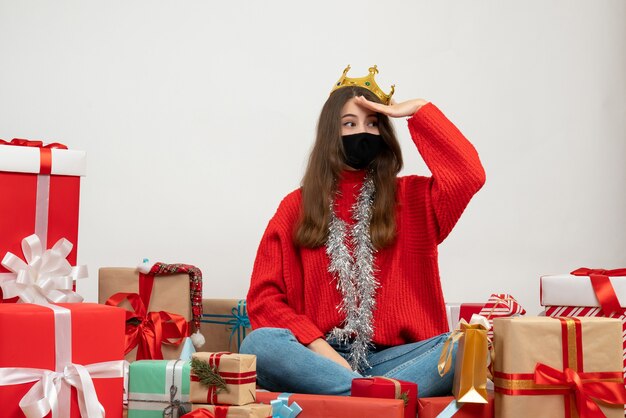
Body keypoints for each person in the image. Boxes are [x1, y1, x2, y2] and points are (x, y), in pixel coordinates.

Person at [240, 65, 486, 397]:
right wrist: (322, 352)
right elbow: (264, 299)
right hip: (318, 357)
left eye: (373, 123)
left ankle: (359, 399)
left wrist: (417, 110)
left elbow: (469, 174)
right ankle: (375, 399)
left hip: (395, 357)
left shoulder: (414, 198)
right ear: (331, 132)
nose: (363, 132)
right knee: (259, 343)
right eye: (350, 124)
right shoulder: (295, 207)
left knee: (462, 348)